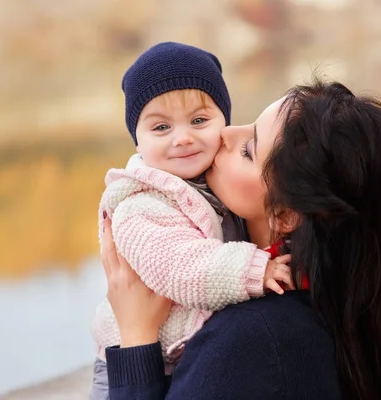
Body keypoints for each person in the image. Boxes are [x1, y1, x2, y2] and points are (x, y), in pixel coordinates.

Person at [101, 80, 381, 400]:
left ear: (286, 216)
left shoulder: (249, 341)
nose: (225, 134)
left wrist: (136, 336)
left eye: (248, 150)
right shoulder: (340, 303)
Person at [89, 42, 294, 400]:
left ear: (223, 121)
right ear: (137, 140)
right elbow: (181, 265)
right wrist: (254, 270)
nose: (183, 138)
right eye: (161, 127)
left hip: (181, 349)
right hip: (128, 361)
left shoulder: (211, 188)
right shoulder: (143, 201)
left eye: (199, 121)